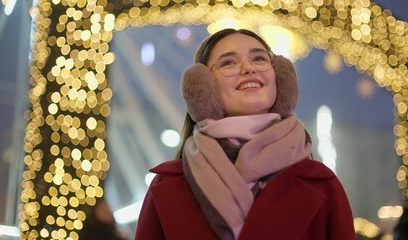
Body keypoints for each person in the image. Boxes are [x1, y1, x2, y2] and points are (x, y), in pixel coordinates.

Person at [135, 28, 356, 240]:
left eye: (259, 59)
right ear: (203, 86)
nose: (249, 68)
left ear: (280, 77)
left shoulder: (322, 183)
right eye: (228, 62)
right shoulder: (167, 185)